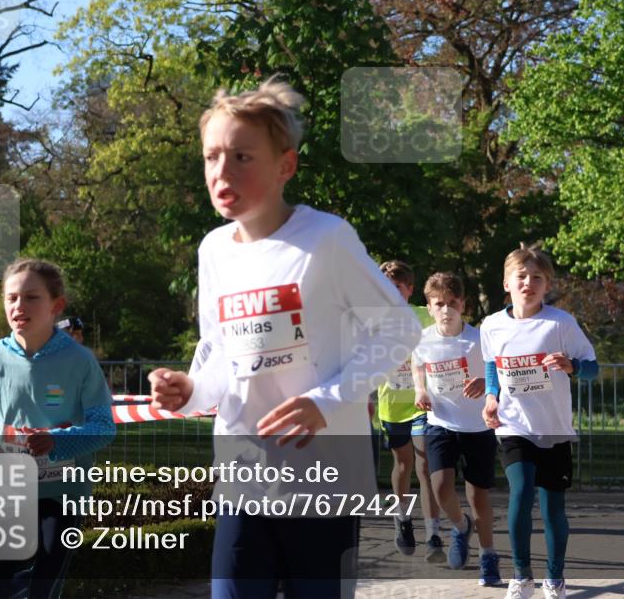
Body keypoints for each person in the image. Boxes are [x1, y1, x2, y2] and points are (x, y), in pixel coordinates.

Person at [147, 78, 421, 599]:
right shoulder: (213, 250)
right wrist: (191, 391)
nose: (222, 171)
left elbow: (399, 328)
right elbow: (221, 353)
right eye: (211, 157)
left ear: (285, 166)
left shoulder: (326, 239)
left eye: (242, 157)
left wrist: (326, 400)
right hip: (243, 476)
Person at [0, 258, 116, 599]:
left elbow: (103, 427)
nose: (19, 306)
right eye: (11, 298)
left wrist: (56, 442)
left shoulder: (80, 361)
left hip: (63, 495)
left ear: (57, 305)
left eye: (31, 297)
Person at [481, 247, 598, 599]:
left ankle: (554, 577)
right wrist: (491, 397)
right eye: (521, 276)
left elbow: (592, 367)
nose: (528, 283)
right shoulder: (492, 325)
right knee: (520, 493)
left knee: (552, 508)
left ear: (547, 285)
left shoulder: (560, 323)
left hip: (554, 427)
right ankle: (521, 576)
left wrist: (572, 366)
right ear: (507, 283)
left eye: (536, 278)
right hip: (514, 425)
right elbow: (492, 365)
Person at [413, 272, 500, 586]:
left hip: (477, 426)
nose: (446, 309)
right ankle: (461, 526)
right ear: (430, 307)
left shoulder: (478, 339)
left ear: (463, 304)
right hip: (441, 422)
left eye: (452, 303)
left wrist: (485, 382)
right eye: (439, 304)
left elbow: (498, 369)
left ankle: (488, 555)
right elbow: (418, 363)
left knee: (478, 495)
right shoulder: (422, 338)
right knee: (440, 487)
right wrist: (420, 389)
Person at [377, 260, 445, 562]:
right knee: (403, 465)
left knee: (425, 465)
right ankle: (402, 518)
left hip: (422, 401)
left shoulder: (424, 316)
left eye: (397, 288)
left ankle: (433, 534)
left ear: (410, 289)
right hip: (391, 405)